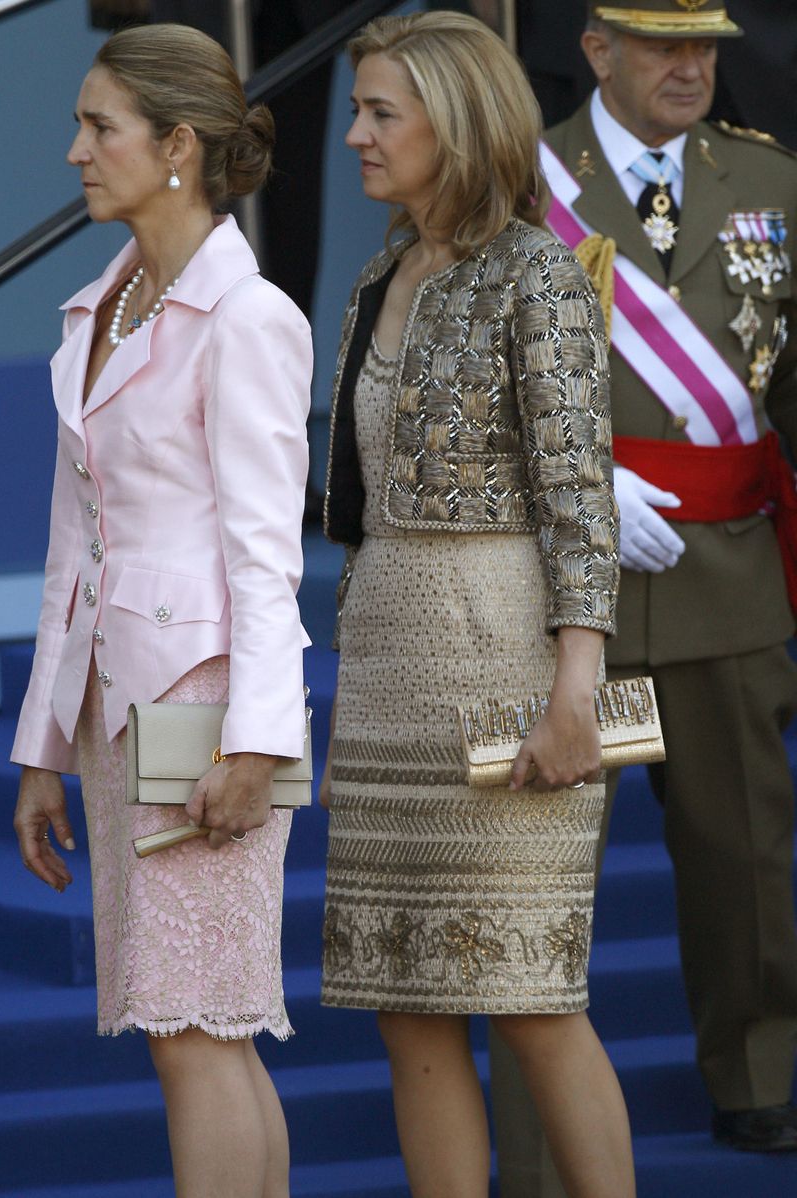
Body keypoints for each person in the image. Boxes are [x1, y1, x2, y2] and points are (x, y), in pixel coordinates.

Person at [319, 12, 633, 1197]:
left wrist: (575, 698)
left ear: (454, 125)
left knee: (532, 997)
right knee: (406, 1008)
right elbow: (360, 511)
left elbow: (580, 499)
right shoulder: (375, 275)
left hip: (504, 669)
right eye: (356, 109)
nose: (354, 135)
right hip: (389, 674)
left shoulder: (536, 272)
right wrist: (347, 696)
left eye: (380, 113)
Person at [9, 23, 312, 1197]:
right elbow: (69, 553)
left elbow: (264, 556)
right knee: (198, 1028)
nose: (76, 150)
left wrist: (257, 743)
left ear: (178, 145)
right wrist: (42, 745)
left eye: (101, 127)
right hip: (117, 711)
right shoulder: (105, 305)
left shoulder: (247, 319)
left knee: (196, 1025)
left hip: (204, 713)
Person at [519, 0, 797, 1176]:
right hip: (560, 589)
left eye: (706, 47)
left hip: (725, 579)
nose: (691, 67)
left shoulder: (768, 179)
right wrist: (571, 488)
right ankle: (538, 1133)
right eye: (663, 45)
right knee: (539, 875)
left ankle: (759, 1075)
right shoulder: (516, 175)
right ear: (596, 50)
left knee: (743, 857)